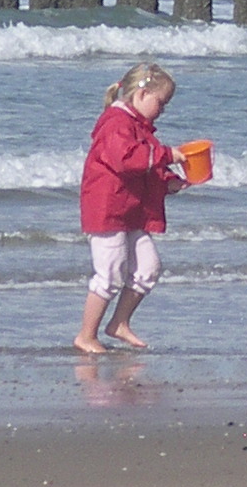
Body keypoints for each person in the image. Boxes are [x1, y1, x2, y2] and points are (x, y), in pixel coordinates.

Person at [76, 61, 184, 354]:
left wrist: (169, 181)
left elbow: (147, 165)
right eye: (160, 103)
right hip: (107, 208)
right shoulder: (115, 122)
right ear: (141, 93)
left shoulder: (139, 126)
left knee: (148, 268)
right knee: (110, 274)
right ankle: (86, 335)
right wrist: (167, 155)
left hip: (131, 210)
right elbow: (126, 158)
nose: (162, 110)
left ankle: (119, 323)